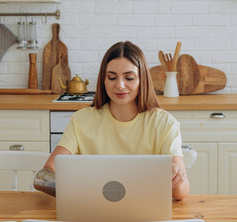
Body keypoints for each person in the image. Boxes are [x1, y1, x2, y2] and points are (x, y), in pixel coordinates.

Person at [34, 41, 190, 200]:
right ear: (103, 80)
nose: (120, 85)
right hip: (92, 209)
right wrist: (80, 190)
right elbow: (45, 175)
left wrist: (176, 178)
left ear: (142, 80)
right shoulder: (82, 120)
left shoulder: (164, 123)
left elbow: (182, 192)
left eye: (129, 78)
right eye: (112, 77)